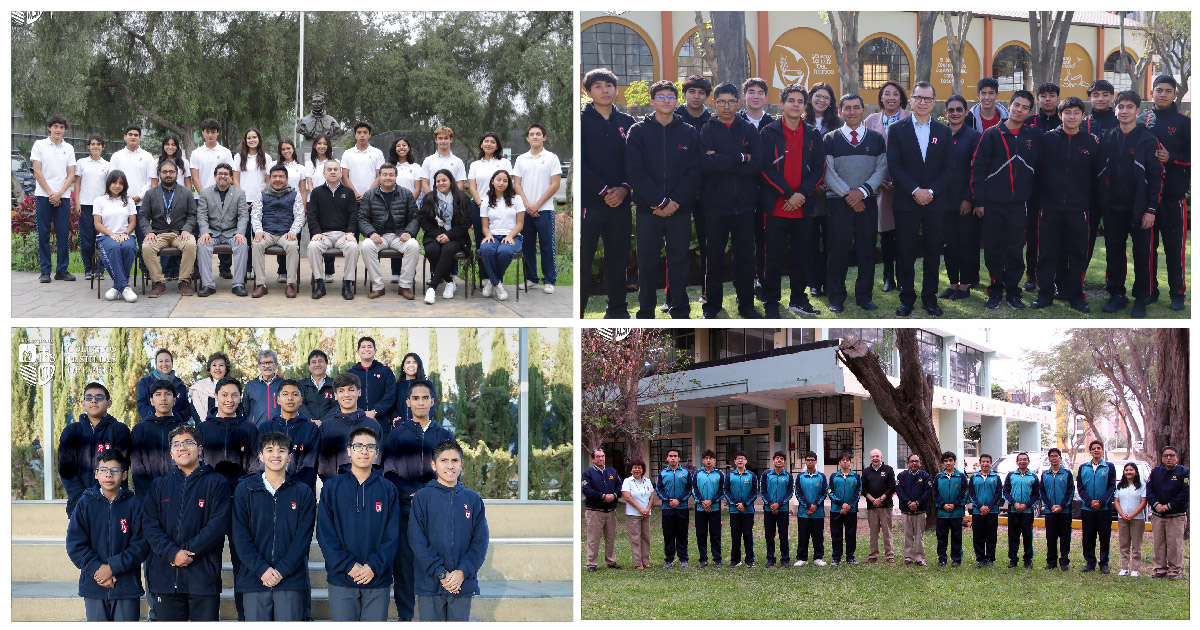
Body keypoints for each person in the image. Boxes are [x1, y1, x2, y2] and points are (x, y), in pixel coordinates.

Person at [625, 79, 701, 319]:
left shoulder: (689, 132)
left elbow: (695, 171)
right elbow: (634, 172)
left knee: (679, 261)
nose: (666, 100)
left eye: (670, 96)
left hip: (679, 210)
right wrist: (659, 202)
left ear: (676, 100)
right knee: (647, 263)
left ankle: (680, 309)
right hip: (649, 210)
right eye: (661, 96)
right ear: (652, 100)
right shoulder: (638, 131)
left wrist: (674, 201)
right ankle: (646, 311)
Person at [141, 425, 231, 621]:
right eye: (177, 444)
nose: (182, 448)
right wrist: (172, 553)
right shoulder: (159, 485)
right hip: (165, 578)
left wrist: (186, 552)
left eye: (188, 442)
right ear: (171, 453)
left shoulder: (217, 482)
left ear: (199, 449)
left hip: (203, 577)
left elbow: (217, 526)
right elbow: (150, 526)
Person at [380, 378, 452, 621]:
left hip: (437, 512)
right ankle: (405, 617)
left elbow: (450, 471)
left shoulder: (443, 435)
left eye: (425, 398)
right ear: (408, 402)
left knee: (436, 563)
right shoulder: (397, 435)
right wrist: (409, 493)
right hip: (405, 511)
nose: (420, 402)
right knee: (405, 567)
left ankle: (436, 616)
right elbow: (388, 470)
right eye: (416, 398)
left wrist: (429, 493)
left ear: (432, 401)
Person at [232, 431, 315, 621]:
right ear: (260, 455)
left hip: (290, 580)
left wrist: (283, 570)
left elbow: (303, 538)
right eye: (269, 450)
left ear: (290, 457)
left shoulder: (302, 492)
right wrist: (261, 569)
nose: (275, 455)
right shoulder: (245, 490)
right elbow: (240, 536)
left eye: (281, 450)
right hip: (254, 578)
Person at [317, 427, 399, 621]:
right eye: (359, 446)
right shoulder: (332, 488)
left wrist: (373, 566)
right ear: (349, 450)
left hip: (377, 578)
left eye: (370, 447)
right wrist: (348, 565)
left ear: (377, 453)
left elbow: (393, 535)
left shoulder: (388, 489)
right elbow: (325, 533)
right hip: (342, 578)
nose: (364, 451)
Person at [886, 81, 953, 316]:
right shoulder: (896, 129)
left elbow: (949, 168)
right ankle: (906, 299)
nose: (923, 102)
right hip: (906, 201)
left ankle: (929, 298)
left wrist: (930, 191)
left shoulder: (944, 131)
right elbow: (894, 165)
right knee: (905, 252)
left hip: (935, 202)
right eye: (919, 98)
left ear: (934, 103)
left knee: (933, 251)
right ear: (911, 100)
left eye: (928, 99)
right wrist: (915, 190)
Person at [759, 84, 825, 318]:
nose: (795, 105)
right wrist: (788, 194)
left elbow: (819, 168)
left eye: (800, 101)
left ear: (805, 106)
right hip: (776, 207)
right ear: (782, 104)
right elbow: (765, 168)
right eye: (791, 100)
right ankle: (771, 303)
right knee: (773, 259)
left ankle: (798, 299)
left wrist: (801, 195)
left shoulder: (813, 134)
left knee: (802, 257)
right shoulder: (768, 132)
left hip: (803, 207)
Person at [971, 89, 1041, 310]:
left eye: (1025, 107)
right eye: (1016, 105)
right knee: (993, 248)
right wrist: (979, 201)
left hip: (1020, 205)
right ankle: (995, 290)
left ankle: (1013, 291)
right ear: (1009, 106)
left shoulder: (1034, 136)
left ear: (1030, 111)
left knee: (1014, 249)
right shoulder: (992, 134)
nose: (1019, 110)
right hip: (992, 204)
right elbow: (978, 168)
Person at [1030, 96, 1101, 312]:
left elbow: (1096, 176)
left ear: (1082, 116)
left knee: (1078, 253)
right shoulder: (1047, 139)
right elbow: (1037, 171)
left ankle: (1076, 295)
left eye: (1076, 113)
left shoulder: (1090, 142)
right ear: (1060, 116)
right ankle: (1045, 294)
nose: (1072, 116)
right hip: (1049, 207)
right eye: (1067, 113)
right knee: (1046, 253)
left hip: (1079, 208)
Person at [699, 82, 763, 319]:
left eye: (731, 102)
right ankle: (712, 306)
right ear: (714, 104)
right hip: (715, 206)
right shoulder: (707, 130)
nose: (726, 107)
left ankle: (746, 305)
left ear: (739, 103)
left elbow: (757, 163)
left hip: (745, 206)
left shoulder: (748, 130)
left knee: (745, 258)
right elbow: (706, 164)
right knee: (713, 258)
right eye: (721, 102)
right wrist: (739, 158)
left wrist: (723, 161)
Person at [1100, 90, 1164, 318]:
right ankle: (1117, 295)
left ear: (1138, 111)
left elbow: (1156, 177)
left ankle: (1141, 298)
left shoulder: (1147, 139)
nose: (1125, 111)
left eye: (1129, 107)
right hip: (1113, 209)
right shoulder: (1108, 137)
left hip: (1140, 210)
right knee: (1114, 253)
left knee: (1143, 254)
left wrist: (1150, 209)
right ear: (1115, 110)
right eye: (1121, 107)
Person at [410, 439, 489, 622]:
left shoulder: (473, 499)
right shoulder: (422, 498)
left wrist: (462, 572)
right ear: (433, 465)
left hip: (462, 584)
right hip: (430, 584)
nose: (450, 466)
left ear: (462, 464)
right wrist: (441, 573)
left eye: (455, 460)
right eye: (444, 460)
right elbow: (417, 540)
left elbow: (480, 542)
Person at [823, 93, 889, 313]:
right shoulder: (830, 139)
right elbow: (828, 172)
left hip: (867, 202)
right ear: (840, 112)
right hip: (838, 203)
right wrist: (848, 195)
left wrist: (861, 192)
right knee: (837, 251)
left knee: (866, 250)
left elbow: (881, 169)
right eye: (847, 108)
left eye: (856, 107)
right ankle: (836, 297)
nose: (851, 112)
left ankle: (864, 296)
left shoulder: (876, 138)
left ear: (864, 110)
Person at [65, 450, 148, 621]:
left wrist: (112, 567)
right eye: (103, 470)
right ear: (96, 474)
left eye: (115, 471)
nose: (108, 475)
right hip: (94, 585)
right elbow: (75, 544)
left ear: (124, 475)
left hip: (126, 587)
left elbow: (141, 545)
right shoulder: (85, 503)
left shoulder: (134, 505)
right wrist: (97, 569)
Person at [580, 68, 635, 318]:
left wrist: (624, 189)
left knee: (618, 260)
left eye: (609, 85)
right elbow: (580, 164)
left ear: (615, 89)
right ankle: (578, 311)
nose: (605, 90)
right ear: (589, 91)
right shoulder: (581, 121)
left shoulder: (627, 123)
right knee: (583, 262)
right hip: (590, 204)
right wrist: (603, 190)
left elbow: (637, 164)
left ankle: (617, 310)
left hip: (620, 205)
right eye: (598, 86)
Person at [1139, 75, 1190, 311]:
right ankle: (1150, 292)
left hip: (1173, 196)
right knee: (1148, 249)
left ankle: (1177, 293)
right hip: (1147, 198)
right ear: (1151, 93)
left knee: (1174, 248)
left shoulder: (1184, 122)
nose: (1162, 95)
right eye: (1158, 90)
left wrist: (1173, 158)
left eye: (1168, 91)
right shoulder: (1142, 120)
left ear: (1174, 95)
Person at [864, 80, 911, 293]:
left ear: (901, 98)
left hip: (905, 187)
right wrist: (877, 179)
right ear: (881, 98)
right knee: (886, 235)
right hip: (880, 186)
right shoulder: (871, 120)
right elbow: (866, 153)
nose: (891, 97)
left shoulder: (910, 119)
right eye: (887, 94)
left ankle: (903, 277)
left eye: (895, 94)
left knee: (904, 234)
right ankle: (888, 277)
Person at [58, 382, 132, 516]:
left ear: (109, 403)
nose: (93, 400)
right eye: (89, 397)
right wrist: (84, 500)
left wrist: (101, 499)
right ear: (82, 403)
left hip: (113, 506)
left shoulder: (119, 430)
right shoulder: (71, 432)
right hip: (79, 506)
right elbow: (66, 471)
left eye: (99, 397)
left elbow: (120, 468)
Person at [939, 95, 983, 301]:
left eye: (959, 110)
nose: (955, 113)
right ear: (945, 112)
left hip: (965, 201)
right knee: (949, 246)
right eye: (951, 110)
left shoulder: (974, 137)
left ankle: (965, 286)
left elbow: (977, 170)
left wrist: (968, 198)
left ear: (966, 112)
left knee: (966, 244)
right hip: (943, 201)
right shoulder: (939, 135)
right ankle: (953, 284)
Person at [358, 163, 422, 299]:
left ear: (396, 176)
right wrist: (371, 233)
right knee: (366, 246)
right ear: (379, 176)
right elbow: (362, 218)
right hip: (378, 236)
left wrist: (409, 232)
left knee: (414, 246)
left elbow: (415, 218)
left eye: (391, 175)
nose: (388, 178)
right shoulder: (369, 195)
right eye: (385, 175)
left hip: (399, 236)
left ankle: (404, 286)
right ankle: (378, 287)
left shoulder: (406, 194)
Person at [513, 123, 563, 294]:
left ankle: (549, 280)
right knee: (527, 245)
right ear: (527, 138)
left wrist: (537, 204)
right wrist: (527, 205)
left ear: (544, 137)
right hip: (525, 210)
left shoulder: (551, 158)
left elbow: (555, 184)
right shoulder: (521, 159)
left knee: (547, 245)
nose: (535, 136)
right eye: (532, 134)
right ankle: (531, 278)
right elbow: (517, 184)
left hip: (545, 209)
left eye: (538, 134)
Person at [739, 77, 777, 300]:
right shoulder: (734, 121)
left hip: (767, 191)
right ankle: (743, 286)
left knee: (765, 241)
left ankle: (763, 282)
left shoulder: (773, 125)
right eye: (750, 91)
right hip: (739, 191)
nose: (755, 96)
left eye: (760, 92)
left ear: (766, 97)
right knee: (743, 242)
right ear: (744, 96)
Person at [1022, 82, 1062, 290]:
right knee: (1033, 234)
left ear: (1058, 99)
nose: (1047, 99)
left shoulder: (1066, 120)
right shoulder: (1029, 122)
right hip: (1033, 188)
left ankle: (1054, 275)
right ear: (1037, 100)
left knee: (1056, 235)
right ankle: (1031, 275)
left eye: (1052, 95)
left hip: (1059, 188)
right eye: (1043, 96)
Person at [803, 81, 841, 299]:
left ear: (831, 101)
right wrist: (813, 184)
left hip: (832, 192)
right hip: (808, 191)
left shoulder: (838, 124)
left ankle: (829, 282)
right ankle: (814, 283)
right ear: (810, 98)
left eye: (826, 97)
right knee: (809, 241)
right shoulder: (800, 122)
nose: (821, 100)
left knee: (832, 240)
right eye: (818, 95)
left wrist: (828, 183)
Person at [138, 160, 198, 298]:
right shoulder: (151, 194)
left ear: (177, 174)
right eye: (165, 172)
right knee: (147, 247)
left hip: (180, 232)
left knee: (191, 244)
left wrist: (187, 229)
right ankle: (158, 283)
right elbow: (143, 216)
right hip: (158, 233)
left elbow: (192, 214)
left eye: (171, 172)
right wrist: (149, 232)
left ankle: (184, 281)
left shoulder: (186, 193)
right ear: (159, 174)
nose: (168, 175)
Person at [190, 120, 237, 282]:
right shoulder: (196, 153)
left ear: (218, 133)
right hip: (201, 197)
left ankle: (224, 267)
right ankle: (198, 268)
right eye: (207, 131)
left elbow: (229, 175)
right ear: (203, 132)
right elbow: (195, 177)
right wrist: (204, 194)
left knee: (224, 229)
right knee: (200, 232)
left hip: (222, 197)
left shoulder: (224, 152)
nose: (210, 134)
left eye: (213, 131)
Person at [306, 159, 360, 300]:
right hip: (324, 235)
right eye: (329, 170)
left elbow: (354, 215)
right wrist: (317, 232)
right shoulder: (316, 193)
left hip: (343, 234)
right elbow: (312, 216)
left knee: (353, 247)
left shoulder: (348, 192)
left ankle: (347, 284)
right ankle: (320, 284)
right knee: (313, 246)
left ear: (341, 173)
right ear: (324, 173)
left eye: (336, 169)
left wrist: (350, 232)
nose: (333, 172)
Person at [255, 380, 320, 492]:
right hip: (270, 491)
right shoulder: (266, 427)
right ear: (278, 400)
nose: (290, 398)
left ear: (301, 400)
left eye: (295, 394)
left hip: (301, 492)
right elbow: (262, 462)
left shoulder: (311, 428)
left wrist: (293, 489)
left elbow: (310, 464)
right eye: (285, 394)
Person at [195, 162, 249, 297]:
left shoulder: (239, 193)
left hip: (232, 233)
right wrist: (205, 232)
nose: (223, 176)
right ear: (215, 176)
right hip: (212, 233)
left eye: (226, 174)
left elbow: (243, 216)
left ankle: (238, 284)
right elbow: (201, 215)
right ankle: (208, 285)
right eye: (220, 174)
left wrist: (240, 233)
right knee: (202, 244)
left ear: (231, 177)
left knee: (242, 244)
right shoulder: (205, 193)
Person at [419, 169, 473, 304]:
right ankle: (449, 282)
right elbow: (423, 220)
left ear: (450, 181)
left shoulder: (461, 197)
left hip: (456, 236)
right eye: (438, 181)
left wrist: (449, 235)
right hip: (434, 234)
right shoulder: (430, 197)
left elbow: (467, 221)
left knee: (448, 249)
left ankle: (432, 288)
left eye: (444, 180)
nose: (441, 183)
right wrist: (437, 234)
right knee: (432, 250)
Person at [316, 373, 383, 483]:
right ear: (336, 395)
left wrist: (367, 482)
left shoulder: (373, 426)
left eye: (351, 389)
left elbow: (378, 459)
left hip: (367, 487)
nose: (346, 394)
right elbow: (322, 462)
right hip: (335, 489)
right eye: (341, 391)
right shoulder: (326, 427)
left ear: (359, 392)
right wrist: (334, 484)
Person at [1082, 79, 1120, 270]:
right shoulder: (1082, 124)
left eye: (1105, 94)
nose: (1101, 98)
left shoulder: (1120, 122)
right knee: (1084, 240)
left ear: (1112, 97)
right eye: (1096, 95)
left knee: (1114, 242)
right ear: (1089, 99)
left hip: (1115, 191)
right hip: (1088, 192)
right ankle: (1076, 283)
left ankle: (1114, 289)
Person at [250, 164, 303, 298]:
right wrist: (258, 231)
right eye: (274, 177)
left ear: (286, 179)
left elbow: (300, 216)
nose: (278, 179)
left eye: (281, 176)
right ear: (270, 178)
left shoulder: (294, 195)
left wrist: (293, 231)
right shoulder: (262, 194)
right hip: (267, 232)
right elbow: (255, 215)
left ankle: (290, 284)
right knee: (256, 245)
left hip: (286, 233)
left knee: (292, 246)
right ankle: (261, 284)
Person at [130, 380, 189, 497]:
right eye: (158, 394)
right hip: (147, 497)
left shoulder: (185, 429)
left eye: (168, 394)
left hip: (180, 496)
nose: (163, 398)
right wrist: (148, 495)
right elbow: (137, 466)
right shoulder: (140, 430)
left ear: (174, 400)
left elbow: (190, 464)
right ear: (151, 401)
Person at [91, 170, 140, 302]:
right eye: (114, 182)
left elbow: (132, 222)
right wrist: (111, 234)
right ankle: (124, 287)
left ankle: (116, 287)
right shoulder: (99, 200)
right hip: (106, 236)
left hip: (125, 235)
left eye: (121, 183)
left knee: (129, 248)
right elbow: (97, 224)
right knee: (114, 248)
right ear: (108, 183)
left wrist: (125, 233)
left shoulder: (128, 201)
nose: (117, 186)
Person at [110, 125, 156, 259]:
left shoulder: (147, 156)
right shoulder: (117, 156)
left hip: (142, 204)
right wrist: (123, 196)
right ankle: (122, 269)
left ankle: (146, 270)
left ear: (140, 138)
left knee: (145, 240)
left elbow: (150, 181)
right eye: (130, 134)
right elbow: (113, 180)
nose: (133, 137)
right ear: (125, 137)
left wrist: (138, 196)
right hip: (121, 204)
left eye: (136, 135)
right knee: (122, 239)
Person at [478, 170, 525, 300]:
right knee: (486, 250)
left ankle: (492, 282)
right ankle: (497, 283)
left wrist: (510, 236)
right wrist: (487, 234)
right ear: (492, 181)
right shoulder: (486, 201)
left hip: (513, 235)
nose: (501, 183)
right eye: (498, 179)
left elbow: (520, 224)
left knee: (504, 252)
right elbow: (485, 226)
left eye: (505, 181)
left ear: (509, 183)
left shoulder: (517, 199)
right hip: (492, 236)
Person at [151, 135, 192, 281]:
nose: (170, 147)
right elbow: (154, 183)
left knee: (180, 235)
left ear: (177, 146)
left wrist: (188, 199)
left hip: (180, 201)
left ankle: (180, 272)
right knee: (164, 232)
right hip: (163, 200)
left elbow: (188, 182)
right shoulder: (157, 162)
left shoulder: (184, 162)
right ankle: (168, 271)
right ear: (163, 146)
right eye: (167, 144)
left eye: (173, 144)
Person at [1146, 445, 1188, 580]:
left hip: (1175, 516)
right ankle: (1160, 569)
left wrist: (1169, 506)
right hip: (1158, 515)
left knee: (1174, 545)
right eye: (1166, 456)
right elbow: (1149, 490)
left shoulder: (1183, 472)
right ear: (1162, 458)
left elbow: (1185, 492)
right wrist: (1156, 504)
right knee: (1159, 543)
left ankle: (1174, 571)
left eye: (1172, 455)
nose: (1169, 458)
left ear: (1176, 457)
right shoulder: (1156, 472)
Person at [72, 135, 111, 281]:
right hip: (85, 206)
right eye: (93, 144)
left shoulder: (107, 165)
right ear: (88, 146)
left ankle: (100, 270)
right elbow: (77, 184)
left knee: (101, 238)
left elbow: (110, 187)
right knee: (86, 239)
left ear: (103, 147)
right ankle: (89, 269)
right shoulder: (81, 163)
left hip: (102, 206)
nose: (96, 146)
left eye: (98, 144)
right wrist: (77, 203)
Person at [231, 128, 275, 256]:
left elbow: (268, 182)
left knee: (258, 237)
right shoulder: (239, 157)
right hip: (243, 201)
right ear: (245, 140)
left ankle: (256, 269)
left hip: (260, 201)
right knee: (244, 236)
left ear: (259, 139)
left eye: (254, 137)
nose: (252, 140)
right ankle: (246, 268)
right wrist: (242, 199)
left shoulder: (266, 157)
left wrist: (258, 200)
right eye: (249, 138)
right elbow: (236, 180)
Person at [1076, 439, 1116, 573]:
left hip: (1104, 509)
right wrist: (1089, 502)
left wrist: (1101, 502)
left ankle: (1104, 563)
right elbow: (1080, 487)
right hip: (1087, 509)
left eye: (1099, 448)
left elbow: (1111, 486)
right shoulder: (1083, 467)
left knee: (1104, 536)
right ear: (1090, 451)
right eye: (1094, 448)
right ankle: (1090, 562)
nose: (1096, 450)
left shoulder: (1109, 467)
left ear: (1102, 450)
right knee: (1088, 536)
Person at [467, 132, 513, 249]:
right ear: (481, 145)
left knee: (498, 240)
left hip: (500, 205)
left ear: (497, 146)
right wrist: (481, 204)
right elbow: (472, 187)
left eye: (492, 142)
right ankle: (483, 267)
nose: (489, 144)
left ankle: (496, 267)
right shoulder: (475, 165)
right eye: (486, 141)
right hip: (478, 205)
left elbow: (509, 185)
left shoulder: (505, 163)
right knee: (481, 241)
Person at [582, 448, 622, 572]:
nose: (601, 459)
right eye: (598, 457)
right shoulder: (587, 473)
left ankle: (611, 561)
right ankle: (592, 564)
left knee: (610, 538)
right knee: (593, 539)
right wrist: (603, 496)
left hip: (610, 511)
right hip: (595, 512)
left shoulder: (612, 472)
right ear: (593, 459)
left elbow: (620, 486)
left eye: (603, 456)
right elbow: (586, 490)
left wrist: (614, 495)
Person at [305, 135, 338, 283]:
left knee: (329, 233)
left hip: (331, 201)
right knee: (317, 236)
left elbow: (337, 180)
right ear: (314, 146)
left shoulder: (334, 163)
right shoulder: (309, 163)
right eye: (319, 143)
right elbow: (309, 183)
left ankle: (329, 271)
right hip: (315, 200)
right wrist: (316, 195)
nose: (322, 146)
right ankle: (317, 273)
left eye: (325, 144)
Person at [347, 336, 396, 435]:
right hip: (356, 422)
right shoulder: (350, 374)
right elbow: (346, 396)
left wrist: (375, 411)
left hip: (381, 423)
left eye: (369, 346)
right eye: (363, 347)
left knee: (380, 450)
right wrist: (359, 413)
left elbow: (390, 395)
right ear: (358, 351)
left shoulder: (385, 371)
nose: (366, 349)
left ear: (375, 350)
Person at [135, 349, 194, 424]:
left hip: (175, 427)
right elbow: (141, 405)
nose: (164, 364)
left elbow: (186, 408)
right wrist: (156, 417)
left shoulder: (180, 386)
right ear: (156, 364)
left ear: (172, 363)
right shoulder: (145, 382)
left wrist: (176, 418)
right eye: (161, 361)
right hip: (151, 425)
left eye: (167, 361)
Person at [1002, 452, 1040, 569]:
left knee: (1028, 536)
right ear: (1017, 462)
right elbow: (1006, 492)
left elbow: (1036, 495)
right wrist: (1015, 503)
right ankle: (1013, 560)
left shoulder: (1033, 477)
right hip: (1014, 511)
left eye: (1025, 459)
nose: (1022, 461)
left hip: (1027, 512)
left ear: (1028, 461)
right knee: (1013, 536)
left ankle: (1028, 560)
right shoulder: (1011, 475)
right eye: (1020, 460)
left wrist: (1026, 505)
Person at [1039, 447, 1075, 570]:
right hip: (1050, 512)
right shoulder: (1045, 475)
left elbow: (1070, 492)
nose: (1054, 458)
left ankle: (1064, 562)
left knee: (1065, 537)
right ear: (1049, 459)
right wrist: (1050, 506)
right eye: (1051, 456)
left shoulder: (1067, 474)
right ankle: (1051, 562)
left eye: (1056, 456)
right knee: (1051, 537)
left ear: (1060, 458)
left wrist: (1061, 506)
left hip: (1064, 511)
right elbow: (1042, 492)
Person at [655, 447, 691, 567]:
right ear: (667, 458)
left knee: (682, 534)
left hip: (682, 508)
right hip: (667, 508)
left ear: (679, 458)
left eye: (675, 456)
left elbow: (689, 489)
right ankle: (669, 559)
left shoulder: (685, 473)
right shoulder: (663, 473)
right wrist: (668, 500)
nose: (673, 458)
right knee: (668, 534)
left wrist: (679, 500)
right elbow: (659, 489)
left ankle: (683, 559)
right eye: (671, 456)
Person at [895, 453, 932, 566]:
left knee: (919, 535)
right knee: (907, 535)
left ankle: (920, 558)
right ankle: (908, 557)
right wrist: (908, 502)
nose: (914, 463)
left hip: (920, 511)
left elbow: (928, 492)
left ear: (920, 463)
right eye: (912, 461)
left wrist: (917, 503)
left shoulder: (925, 476)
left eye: (916, 461)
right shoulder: (901, 476)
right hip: (906, 511)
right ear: (908, 463)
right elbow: (899, 491)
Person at [861, 448, 897, 564]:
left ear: (881, 457)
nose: (875, 458)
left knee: (887, 532)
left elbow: (892, 487)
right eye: (873, 456)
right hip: (872, 507)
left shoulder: (888, 469)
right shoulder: (866, 471)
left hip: (885, 506)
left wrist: (881, 499)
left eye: (877, 456)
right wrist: (873, 500)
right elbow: (863, 489)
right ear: (870, 458)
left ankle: (889, 555)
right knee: (873, 532)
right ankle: (873, 555)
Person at [967, 453, 1003, 567]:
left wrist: (989, 507)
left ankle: (990, 558)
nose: (985, 464)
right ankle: (980, 558)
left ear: (990, 463)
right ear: (980, 463)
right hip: (978, 512)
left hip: (992, 512)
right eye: (983, 461)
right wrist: (980, 506)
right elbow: (971, 494)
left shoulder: (996, 477)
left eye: (987, 462)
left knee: (991, 536)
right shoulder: (974, 477)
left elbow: (998, 494)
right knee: (978, 535)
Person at [793, 451, 828, 567]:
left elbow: (823, 493)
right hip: (804, 512)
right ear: (805, 461)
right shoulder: (800, 477)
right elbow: (798, 493)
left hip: (818, 513)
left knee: (818, 535)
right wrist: (808, 506)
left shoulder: (821, 476)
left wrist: (815, 506)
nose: (810, 462)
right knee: (803, 535)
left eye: (812, 460)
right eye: (808, 460)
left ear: (816, 461)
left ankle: (818, 557)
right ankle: (802, 558)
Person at [933, 451, 967, 567]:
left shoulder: (961, 476)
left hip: (956, 513)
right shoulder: (938, 477)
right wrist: (943, 505)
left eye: (950, 460)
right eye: (946, 461)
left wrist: (954, 505)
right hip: (942, 513)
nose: (948, 463)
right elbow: (935, 493)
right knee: (941, 536)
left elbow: (964, 493)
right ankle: (942, 558)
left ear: (954, 461)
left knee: (956, 536)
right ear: (943, 463)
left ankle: (956, 559)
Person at [758, 451, 792, 567]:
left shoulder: (788, 476)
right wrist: (771, 504)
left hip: (782, 510)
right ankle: (770, 559)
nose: (779, 460)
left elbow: (789, 492)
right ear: (773, 461)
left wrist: (779, 504)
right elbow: (762, 491)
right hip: (769, 509)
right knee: (769, 535)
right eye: (777, 458)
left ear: (784, 462)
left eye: (781, 459)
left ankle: (785, 559)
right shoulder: (766, 474)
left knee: (783, 534)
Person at [723, 451, 757, 567]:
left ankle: (750, 560)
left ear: (746, 461)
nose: (740, 460)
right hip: (734, 510)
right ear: (735, 462)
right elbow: (726, 491)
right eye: (738, 459)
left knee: (748, 535)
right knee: (735, 535)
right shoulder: (729, 476)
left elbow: (754, 492)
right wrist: (736, 504)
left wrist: (745, 504)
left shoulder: (751, 476)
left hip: (748, 511)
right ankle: (735, 560)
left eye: (742, 458)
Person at [692, 449, 724, 568]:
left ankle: (717, 559)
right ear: (703, 460)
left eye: (711, 458)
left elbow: (722, 491)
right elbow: (694, 489)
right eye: (706, 458)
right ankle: (703, 559)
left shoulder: (719, 474)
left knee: (715, 534)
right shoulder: (697, 473)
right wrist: (702, 502)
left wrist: (711, 502)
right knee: (701, 534)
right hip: (700, 509)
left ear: (714, 460)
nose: (708, 460)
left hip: (714, 508)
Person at [828, 451, 861, 566]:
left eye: (847, 460)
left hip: (851, 511)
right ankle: (836, 558)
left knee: (850, 534)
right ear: (839, 463)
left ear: (850, 462)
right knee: (836, 534)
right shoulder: (833, 476)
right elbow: (830, 492)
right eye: (843, 460)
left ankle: (850, 557)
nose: (845, 462)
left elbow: (858, 492)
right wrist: (842, 504)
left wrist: (849, 505)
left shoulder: (856, 476)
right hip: (836, 510)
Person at [1114, 462, 1147, 577]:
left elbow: (1143, 501)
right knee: (1124, 543)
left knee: (1136, 544)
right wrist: (1122, 514)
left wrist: (1133, 514)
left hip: (1137, 519)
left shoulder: (1142, 485)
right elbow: (1116, 501)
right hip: (1122, 518)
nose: (1128, 472)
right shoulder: (1120, 486)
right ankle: (1124, 567)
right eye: (1126, 470)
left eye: (1131, 470)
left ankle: (1135, 569)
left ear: (1136, 472)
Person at [340, 122, 385, 205]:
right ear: (355, 135)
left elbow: (380, 176)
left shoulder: (377, 153)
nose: (362, 135)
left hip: (373, 197)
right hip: (352, 198)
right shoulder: (347, 153)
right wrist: (355, 194)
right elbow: (345, 176)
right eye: (359, 132)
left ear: (370, 135)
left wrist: (367, 195)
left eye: (365, 132)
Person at [621, 459, 654, 570]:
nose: (637, 470)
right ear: (631, 469)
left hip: (646, 514)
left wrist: (647, 509)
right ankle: (638, 562)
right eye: (635, 467)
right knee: (635, 538)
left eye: (639, 468)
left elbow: (651, 496)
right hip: (633, 514)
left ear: (642, 469)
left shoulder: (647, 481)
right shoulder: (627, 481)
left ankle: (645, 561)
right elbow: (627, 497)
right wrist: (640, 509)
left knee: (646, 538)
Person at [389, 352, 434, 429]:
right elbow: (392, 407)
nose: (411, 365)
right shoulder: (397, 386)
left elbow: (430, 407)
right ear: (403, 367)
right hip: (400, 428)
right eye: (408, 362)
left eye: (414, 362)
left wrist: (418, 423)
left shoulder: (427, 384)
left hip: (421, 428)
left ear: (418, 366)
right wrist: (398, 421)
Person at [421, 126, 468, 194]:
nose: (443, 141)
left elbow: (460, 185)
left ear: (451, 139)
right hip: (433, 202)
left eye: (446, 138)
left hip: (452, 202)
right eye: (440, 138)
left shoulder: (458, 162)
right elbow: (425, 183)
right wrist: (431, 200)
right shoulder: (428, 161)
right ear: (436, 140)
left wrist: (453, 201)